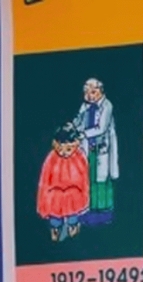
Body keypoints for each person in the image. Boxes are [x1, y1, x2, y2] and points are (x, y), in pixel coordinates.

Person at [73, 78, 118, 226]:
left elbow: (101, 128)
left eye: (93, 92)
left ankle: (104, 214)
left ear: (101, 91)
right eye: (86, 92)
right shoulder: (85, 107)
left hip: (102, 150)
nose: (90, 95)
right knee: (88, 180)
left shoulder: (107, 106)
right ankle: (88, 211)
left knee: (102, 180)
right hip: (88, 149)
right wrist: (73, 127)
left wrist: (83, 134)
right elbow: (78, 121)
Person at [35, 125, 89, 241]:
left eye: (68, 149)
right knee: (55, 218)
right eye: (60, 149)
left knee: (73, 216)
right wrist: (43, 200)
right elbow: (44, 181)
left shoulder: (79, 158)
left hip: (73, 196)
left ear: (75, 144)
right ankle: (55, 230)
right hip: (55, 197)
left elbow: (84, 180)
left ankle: (73, 229)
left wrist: (84, 196)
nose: (64, 153)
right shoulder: (51, 158)